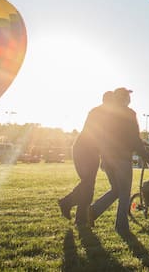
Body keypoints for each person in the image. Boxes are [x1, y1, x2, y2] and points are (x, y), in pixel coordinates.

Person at [88, 87, 149, 237]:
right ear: (124, 98)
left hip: (108, 159)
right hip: (122, 159)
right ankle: (121, 226)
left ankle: (92, 211)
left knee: (116, 190)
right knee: (124, 193)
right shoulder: (129, 114)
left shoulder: (106, 115)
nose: (130, 99)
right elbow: (135, 139)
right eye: (128, 96)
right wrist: (147, 158)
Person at [59, 90, 115, 226]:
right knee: (88, 184)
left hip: (88, 151)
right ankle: (67, 203)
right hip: (85, 150)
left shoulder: (99, 112)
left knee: (88, 185)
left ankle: (80, 219)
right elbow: (101, 136)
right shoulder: (101, 113)